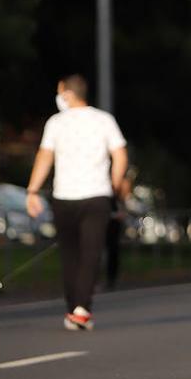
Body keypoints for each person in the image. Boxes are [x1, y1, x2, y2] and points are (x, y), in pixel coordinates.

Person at [25, 74, 128, 331]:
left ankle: (75, 308)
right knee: (91, 253)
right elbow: (120, 154)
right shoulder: (104, 120)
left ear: (68, 94)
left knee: (70, 254)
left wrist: (33, 190)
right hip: (97, 195)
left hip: (64, 197)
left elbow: (45, 156)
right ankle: (80, 309)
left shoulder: (56, 123)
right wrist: (115, 183)